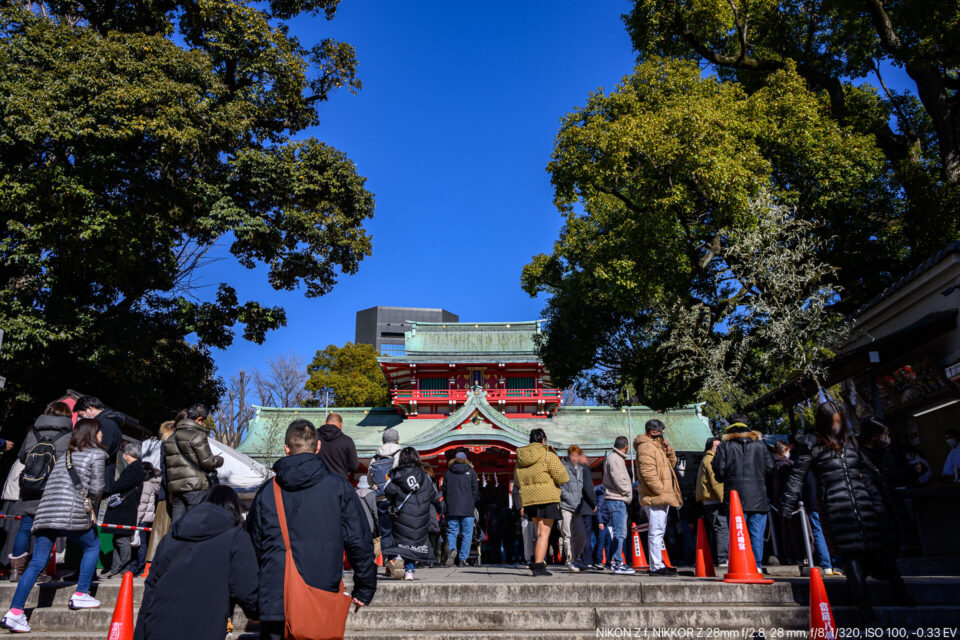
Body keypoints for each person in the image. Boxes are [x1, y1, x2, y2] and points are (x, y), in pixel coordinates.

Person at [782, 402, 913, 624]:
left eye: (839, 419)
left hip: (864, 503)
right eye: (833, 420)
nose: (837, 424)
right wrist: (787, 504)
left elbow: (867, 473)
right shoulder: (812, 444)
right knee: (851, 555)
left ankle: (897, 591)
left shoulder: (851, 443)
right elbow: (797, 476)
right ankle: (863, 605)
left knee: (880, 550)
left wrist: (878, 503)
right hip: (836, 506)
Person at [247, 419, 376, 639]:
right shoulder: (339, 488)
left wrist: (252, 602)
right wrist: (364, 587)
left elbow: (251, 549)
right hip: (321, 591)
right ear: (317, 447)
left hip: (275, 596)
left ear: (286, 447)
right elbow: (359, 540)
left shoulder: (268, 492)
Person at [1, 419, 107, 633]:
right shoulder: (96, 454)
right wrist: (92, 506)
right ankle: (81, 594)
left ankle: (15, 612)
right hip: (71, 510)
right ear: (92, 434)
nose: (102, 436)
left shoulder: (65, 456)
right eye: (100, 432)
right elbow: (97, 487)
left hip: (46, 511)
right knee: (92, 545)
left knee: (37, 562)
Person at [134, 485, 258, 640]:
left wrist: (139, 635)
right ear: (234, 509)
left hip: (158, 625)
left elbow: (151, 590)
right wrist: (256, 612)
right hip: (204, 629)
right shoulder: (236, 538)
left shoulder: (171, 537)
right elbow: (245, 588)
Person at [9, 401, 73, 581]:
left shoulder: (32, 432)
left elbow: (22, 456)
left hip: (30, 486)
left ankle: (16, 571)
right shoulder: (69, 435)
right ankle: (40, 570)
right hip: (53, 488)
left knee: (24, 528)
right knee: (45, 530)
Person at [712, 413, 774, 570]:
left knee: (737, 534)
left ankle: (740, 565)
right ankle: (757, 565)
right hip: (759, 495)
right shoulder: (760, 444)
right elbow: (770, 467)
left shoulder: (725, 445)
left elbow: (719, 469)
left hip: (735, 496)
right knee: (757, 535)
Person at [515, 428, 569, 577]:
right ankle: (538, 565)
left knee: (539, 533)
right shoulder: (548, 454)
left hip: (530, 500)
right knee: (543, 534)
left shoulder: (521, 459)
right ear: (543, 440)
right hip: (547, 497)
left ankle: (535, 561)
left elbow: (518, 480)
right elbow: (563, 477)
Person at [382, 447, 442, 580]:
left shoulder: (396, 475)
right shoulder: (425, 477)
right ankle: (409, 571)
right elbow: (432, 494)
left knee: (401, 540)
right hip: (420, 515)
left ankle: (398, 558)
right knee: (414, 543)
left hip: (402, 515)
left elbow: (388, 491)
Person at [634, 420, 682, 576]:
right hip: (655, 495)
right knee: (656, 531)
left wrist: (668, 450)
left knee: (659, 530)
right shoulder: (645, 447)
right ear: (650, 432)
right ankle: (656, 565)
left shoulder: (657, 447)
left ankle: (658, 562)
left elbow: (671, 464)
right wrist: (660, 490)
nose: (660, 434)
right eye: (657, 432)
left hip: (662, 493)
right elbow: (647, 472)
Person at [165, 404, 223, 524]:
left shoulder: (171, 438)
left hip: (176, 489)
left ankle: (174, 543)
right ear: (199, 419)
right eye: (203, 421)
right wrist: (219, 460)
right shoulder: (197, 435)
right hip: (195, 487)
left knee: (176, 526)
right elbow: (208, 462)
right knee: (196, 525)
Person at [102, 441, 144, 578]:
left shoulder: (133, 468)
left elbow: (120, 485)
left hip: (124, 509)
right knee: (118, 538)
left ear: (129, 454)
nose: (124, 457)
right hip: (127, 508)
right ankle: (116, 568)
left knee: (121, 539)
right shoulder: (138, 468)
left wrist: (109, 488)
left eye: (125, 454)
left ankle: (122, 567)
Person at [74, 395, 124, 491]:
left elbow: (101, 451)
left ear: (90, 409)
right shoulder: (110, 422)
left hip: (97, 479)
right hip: (102, 476)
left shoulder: (104, 424)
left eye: (81, 415)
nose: (81, 418)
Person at [602, 436, 634, 575]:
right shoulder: (615, 459)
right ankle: (617, 562)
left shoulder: (613, 458)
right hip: (617, 499)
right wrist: (627, 492)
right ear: (626, 447)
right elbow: (618, 478)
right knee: (619, 533)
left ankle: (613, 561)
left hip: (615, 499)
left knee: (618, 533)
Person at [768, 441, 804, 565]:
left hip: (779, 502)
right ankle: (797, 555)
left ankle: (789, 554)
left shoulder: (773, 464)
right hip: (789, 502)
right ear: (784, 451)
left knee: (785, 530)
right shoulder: (785, 465)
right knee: (794, 529)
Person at [368, 428, 401, 559]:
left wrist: (376, 486)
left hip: (381, 498)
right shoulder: (400, 453)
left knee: (386, 532)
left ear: (382, 440)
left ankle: (389, 563)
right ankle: (400, 559)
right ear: (398, 440)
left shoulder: (376, 456)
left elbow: (370, 478)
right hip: (397, 498)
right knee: (399, 530)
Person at [443, 451, 480, 567]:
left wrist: (448, 502)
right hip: (467, 508)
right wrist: (471, 502)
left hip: (452, 507)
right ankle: (463, 559)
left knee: (452, 531)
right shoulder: (471, 472)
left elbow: (444, 490)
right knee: (467, 534)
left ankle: (452, 550)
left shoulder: (448, 473)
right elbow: (475, 491)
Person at [146, 420, 176, 564]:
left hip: (166, 492)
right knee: (163, 528)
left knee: (160, 529)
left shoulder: (165, 443)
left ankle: (153, 561)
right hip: (169, 493)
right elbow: (167, 469)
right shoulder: (171, 443)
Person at [559, 445, 592, 572]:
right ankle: (569, 560)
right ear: (569, 455)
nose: (575, 458)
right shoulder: (562, 467)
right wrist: (571, 499)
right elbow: (561, 488)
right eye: (573, 455)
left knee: (582, 535)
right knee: (567, 535)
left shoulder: (581, 469)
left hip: (578, 507)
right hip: (566, 506)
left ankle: (577, 557)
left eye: (577, 455)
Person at [695, 437, 727, 567]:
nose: (719, 449)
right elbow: (716, 483)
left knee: (715, 528)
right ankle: (723, 558)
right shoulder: (711, 459)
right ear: (710, 447)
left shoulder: (706, 459)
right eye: (716, 446)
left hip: (709, 500)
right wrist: (724, 499)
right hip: (714, 500)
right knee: (721, 528)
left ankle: (717, 557)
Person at [130, 462, 162, 576]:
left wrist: (136, 521)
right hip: (146, 518)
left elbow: (142, 505)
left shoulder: (145, 485)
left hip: (142, 519)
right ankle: (138, 566)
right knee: (141, 543)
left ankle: (140, 567)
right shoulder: (151, 485)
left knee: (140, 544)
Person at [316, 412, 359, 480]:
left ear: (325, 423)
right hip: (339, 482)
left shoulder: (313, 438)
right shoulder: (347, 441)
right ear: (341, 425)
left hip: (317, 482)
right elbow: (354, 466)